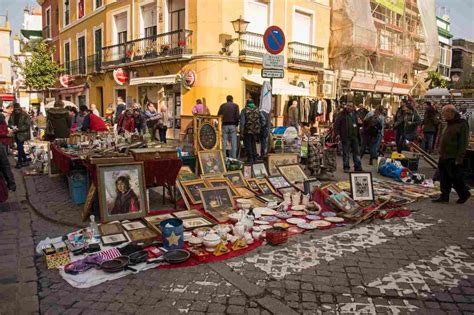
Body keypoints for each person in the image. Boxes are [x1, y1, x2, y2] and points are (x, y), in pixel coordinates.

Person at [432, 105, 471, 204]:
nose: (443, 115)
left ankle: (464, 194)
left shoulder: (462, 124)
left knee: (455, 177)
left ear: (451, 112)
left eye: (445, 113)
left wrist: (459, 157)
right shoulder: (449, 123)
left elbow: (463, 143)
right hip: (444, 155)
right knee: (444, 177)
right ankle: (444, 196)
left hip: (453, 156)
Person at [334, 103, 362, 172]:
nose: (349, 107)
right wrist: (337, 134)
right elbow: (336, 124)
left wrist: (360, 123)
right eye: (348, 106)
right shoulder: (342, 114)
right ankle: (346, 167)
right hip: (346, 137)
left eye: (351, 106)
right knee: (346, 153)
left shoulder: (356, 114)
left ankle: (357, 167)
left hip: (355, 137)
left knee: (357, 153)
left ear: (353, 107)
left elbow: (360, 124)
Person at [8, 103, 31, 169]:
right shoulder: (12, 115)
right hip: (16, 132)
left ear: (20, 108)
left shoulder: (25, 115)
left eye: (17, 109)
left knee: (19, 147)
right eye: (15, 110)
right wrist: (12, 127)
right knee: (19, 147)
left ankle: (19, 162)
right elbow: (9, 123)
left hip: (23, 134)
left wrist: (19, 129)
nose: (16, 111)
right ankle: (25, 159)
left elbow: (27, 125)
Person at [0, 114, 15, 191]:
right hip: (2, 143)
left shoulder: (3, 121)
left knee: (5, 164)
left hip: (3, 143)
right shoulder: (2, 121)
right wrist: (6, 134)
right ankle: (11, 184)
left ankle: (10, 184)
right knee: (5, 165)